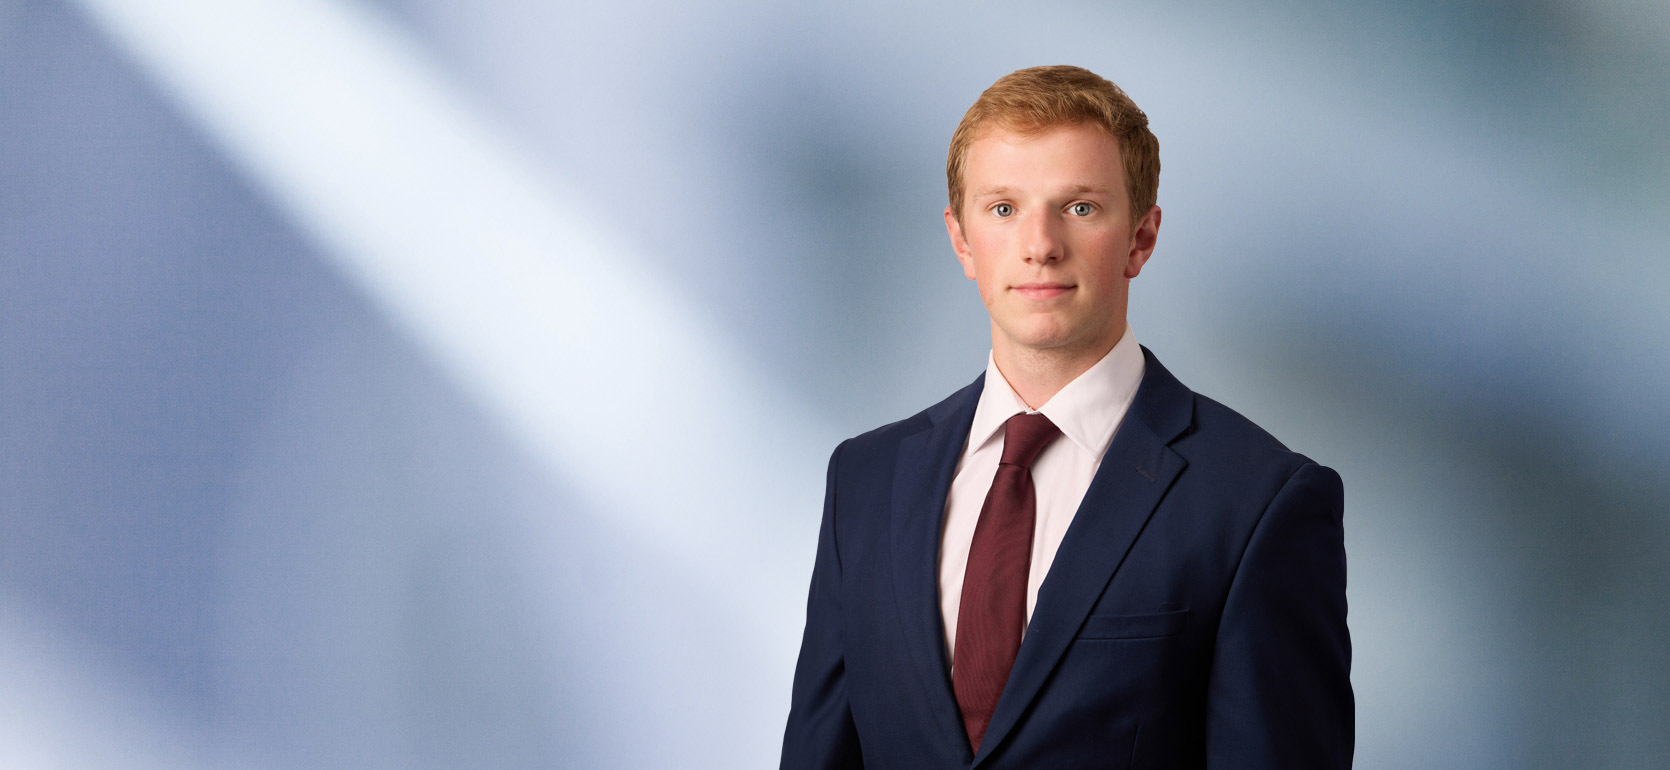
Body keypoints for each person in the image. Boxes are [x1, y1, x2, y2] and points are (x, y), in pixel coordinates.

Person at [779, 65, 1353, 769]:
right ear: (961, 240)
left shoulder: (1258, 502)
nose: (1040, 244)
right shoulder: (865, 482)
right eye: (1003, 209)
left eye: (1079, 207)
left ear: (1141, 239)